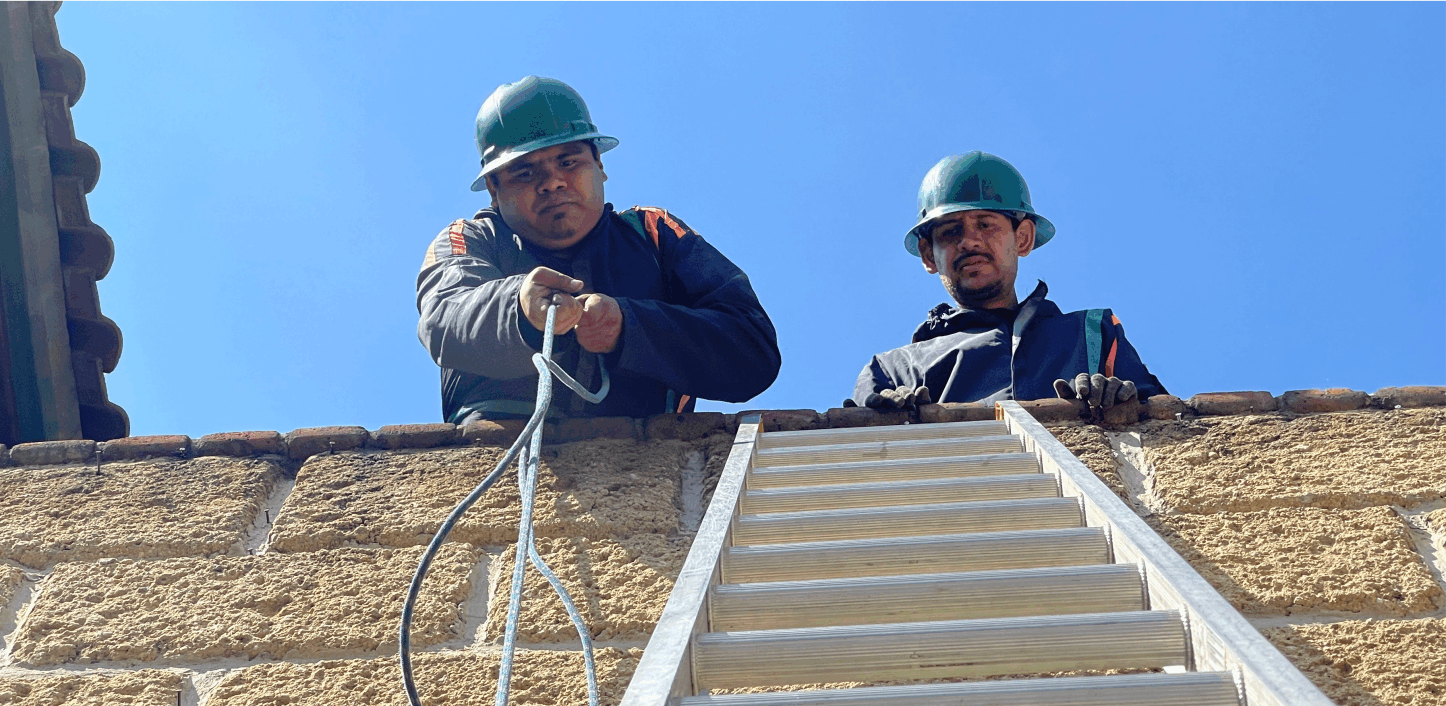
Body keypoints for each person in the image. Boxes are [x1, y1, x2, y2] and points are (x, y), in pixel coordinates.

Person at [417, 76, 781, 424]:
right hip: (496, 461)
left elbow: (752, 351)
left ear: (599, 165)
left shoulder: (654, 234)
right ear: (495, 190)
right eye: (525, 173)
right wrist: (519, 307)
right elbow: (443, 317)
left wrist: (628, 326)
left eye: (568, 161)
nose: (552, 182)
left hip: (648, 463)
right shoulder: (469, 239)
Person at [850, 151, 1165, 413]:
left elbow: (1167, 428)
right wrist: (886, 425)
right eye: (950, 232)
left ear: (1023, 238)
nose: (969, 241)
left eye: (985, 224)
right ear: (928, 255)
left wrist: (1124, 402)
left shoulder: (1092, 335)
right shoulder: (893, 370)